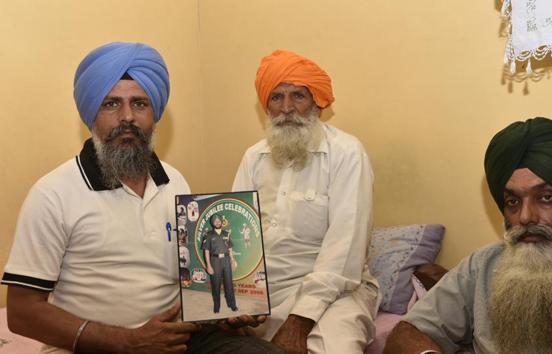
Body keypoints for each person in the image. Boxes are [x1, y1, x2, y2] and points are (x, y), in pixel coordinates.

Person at [1, 42, 284, 354]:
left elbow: (194, 281)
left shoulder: (175, 182)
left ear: (155, 113)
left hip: (177, 340)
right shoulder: (53, 194)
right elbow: (22, 312)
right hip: (91, 346)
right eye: (111, 104)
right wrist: (125, 342)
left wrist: (225, 311)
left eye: (139, 104)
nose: (127, 118)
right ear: (91, 113)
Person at [384, 117, 552, 354]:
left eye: (546, 198)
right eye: (512, 201)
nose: (525, 217)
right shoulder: (482, 267)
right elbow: (408, 332)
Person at [233, 49, 379, 353]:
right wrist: (235, 302)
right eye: (276, 97)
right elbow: (238, 239)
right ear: (266, 107)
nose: (287, 108)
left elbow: (344, 250)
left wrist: (300, 319)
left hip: (336, 293)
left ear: (317, 104)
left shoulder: (347, 153)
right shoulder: (253, 158)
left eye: (298, 96)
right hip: (263, 295)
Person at [204, 214, 238, 313]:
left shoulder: (226, 233)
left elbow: (230, 248)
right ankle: (217, 306)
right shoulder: (208, 235)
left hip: (226, 260)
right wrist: (208, 266)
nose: (217, 222)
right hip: (215, 261)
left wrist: (232, 260)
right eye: (215, 221)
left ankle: (232, 304)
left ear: (221, 222)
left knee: (229, 284)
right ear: (212, 223)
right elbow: (206, 251)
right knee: (216, 285)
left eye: (219, 221)